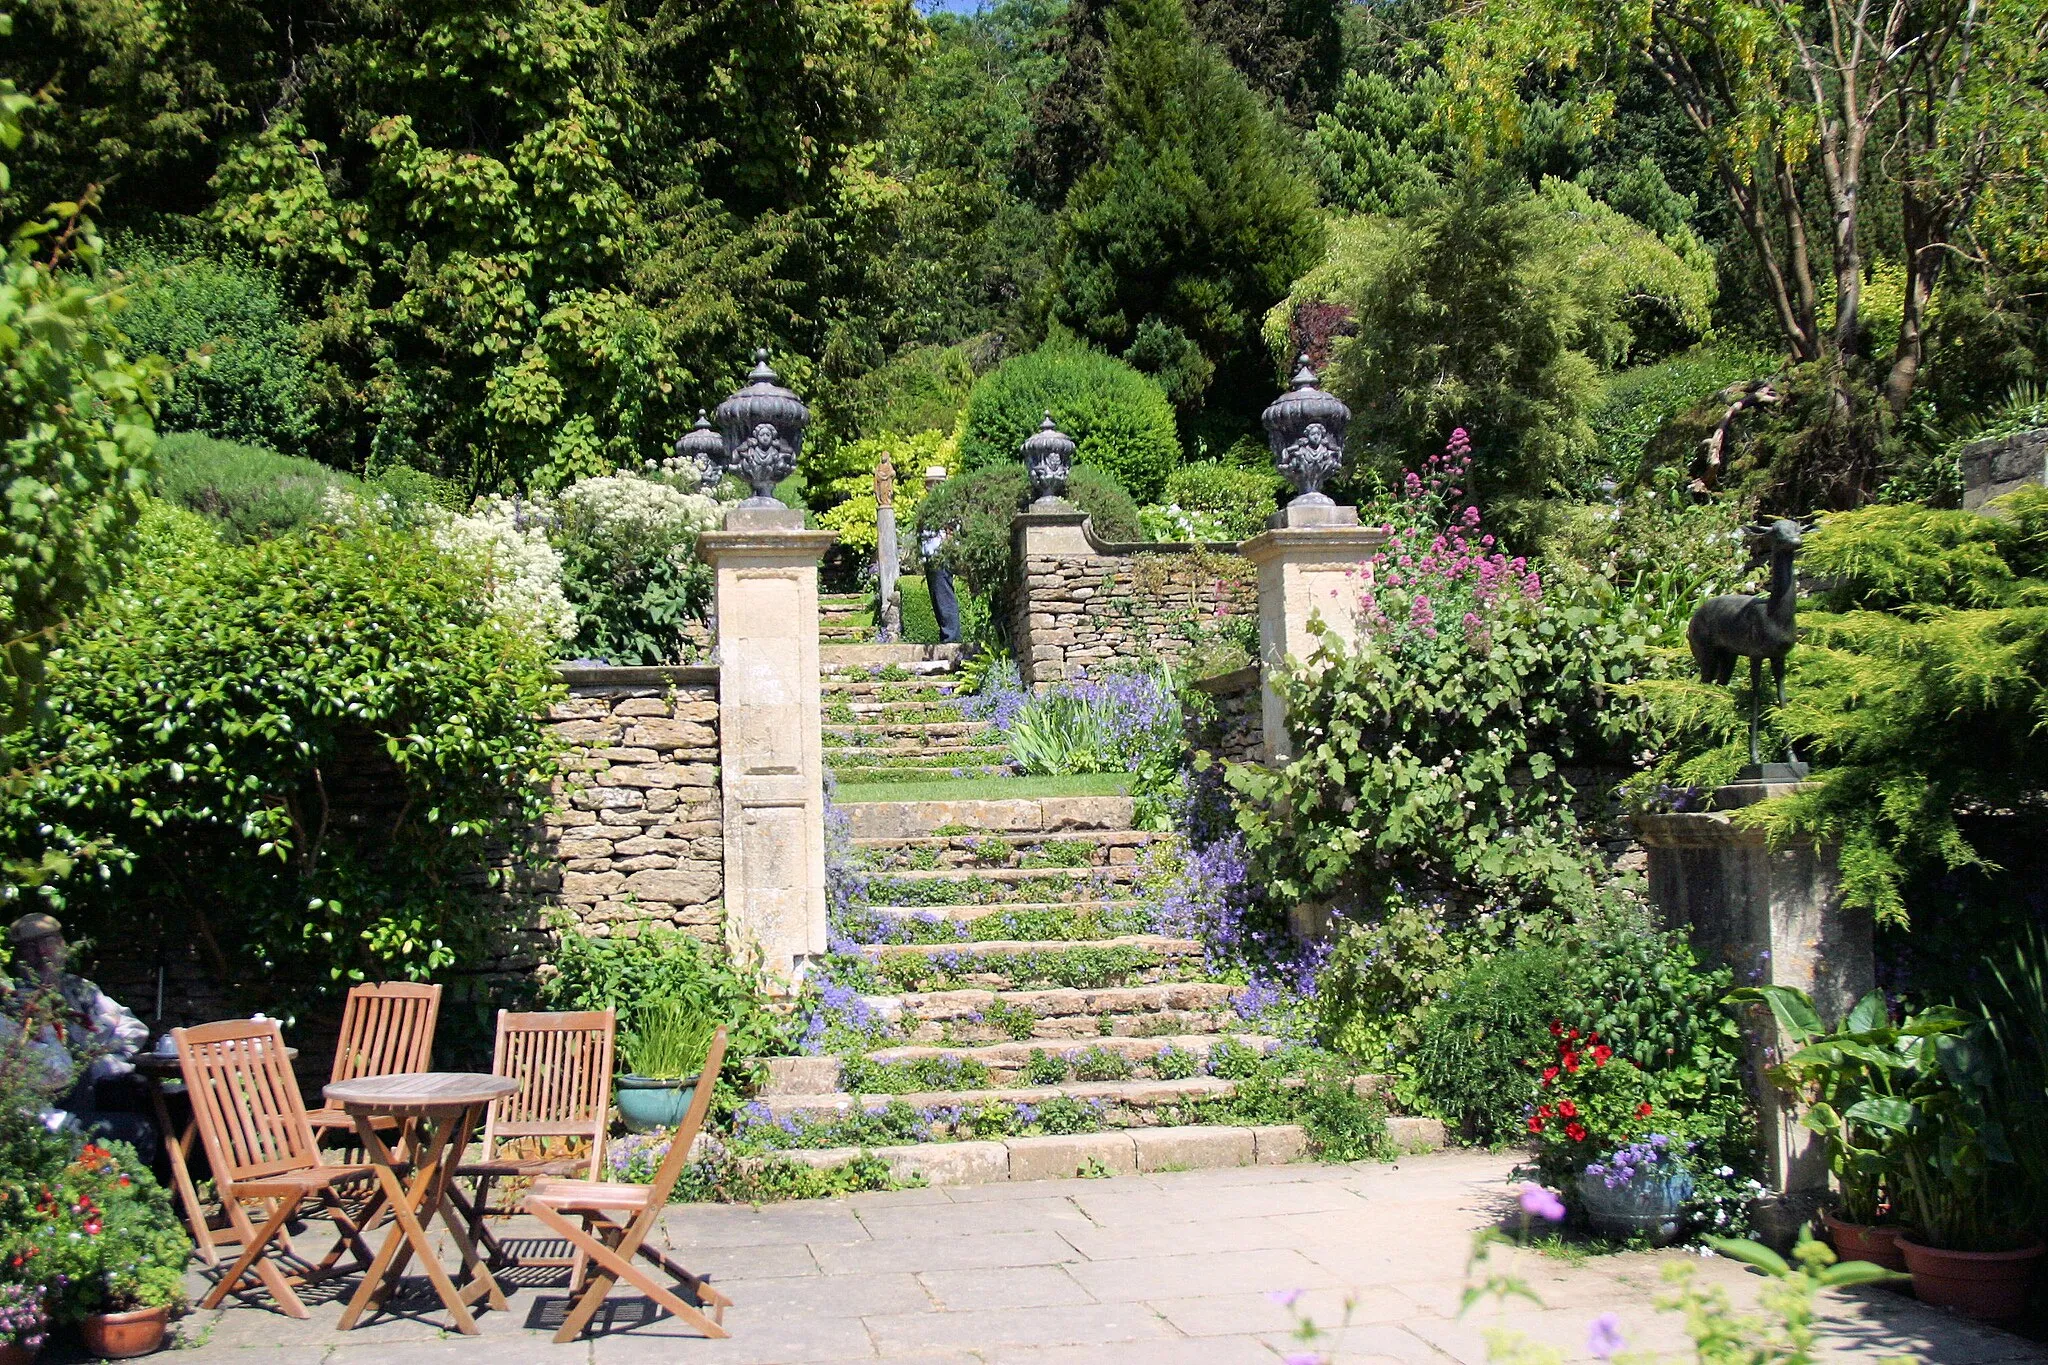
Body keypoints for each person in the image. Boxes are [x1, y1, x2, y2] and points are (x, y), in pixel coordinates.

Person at [4, 913, 153, 1152]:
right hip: (47, 1102)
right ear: (18, 957)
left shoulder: (79, 990)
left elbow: (132, 1028)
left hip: (95, 1087)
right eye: (31, 948)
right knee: (137, 1127)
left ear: (62, 945)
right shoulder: (14, 1000)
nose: (42, 954)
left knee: (143, 1095)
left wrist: (104, 1064)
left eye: (48, 944)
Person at [921, 519, 962, 645]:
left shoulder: (948, 509)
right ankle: (947, 637)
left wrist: (947, 546)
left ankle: (951, 639)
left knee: (944, 598)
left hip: (940, 557)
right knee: (938, 600)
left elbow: (952, 525)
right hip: (932, 558)